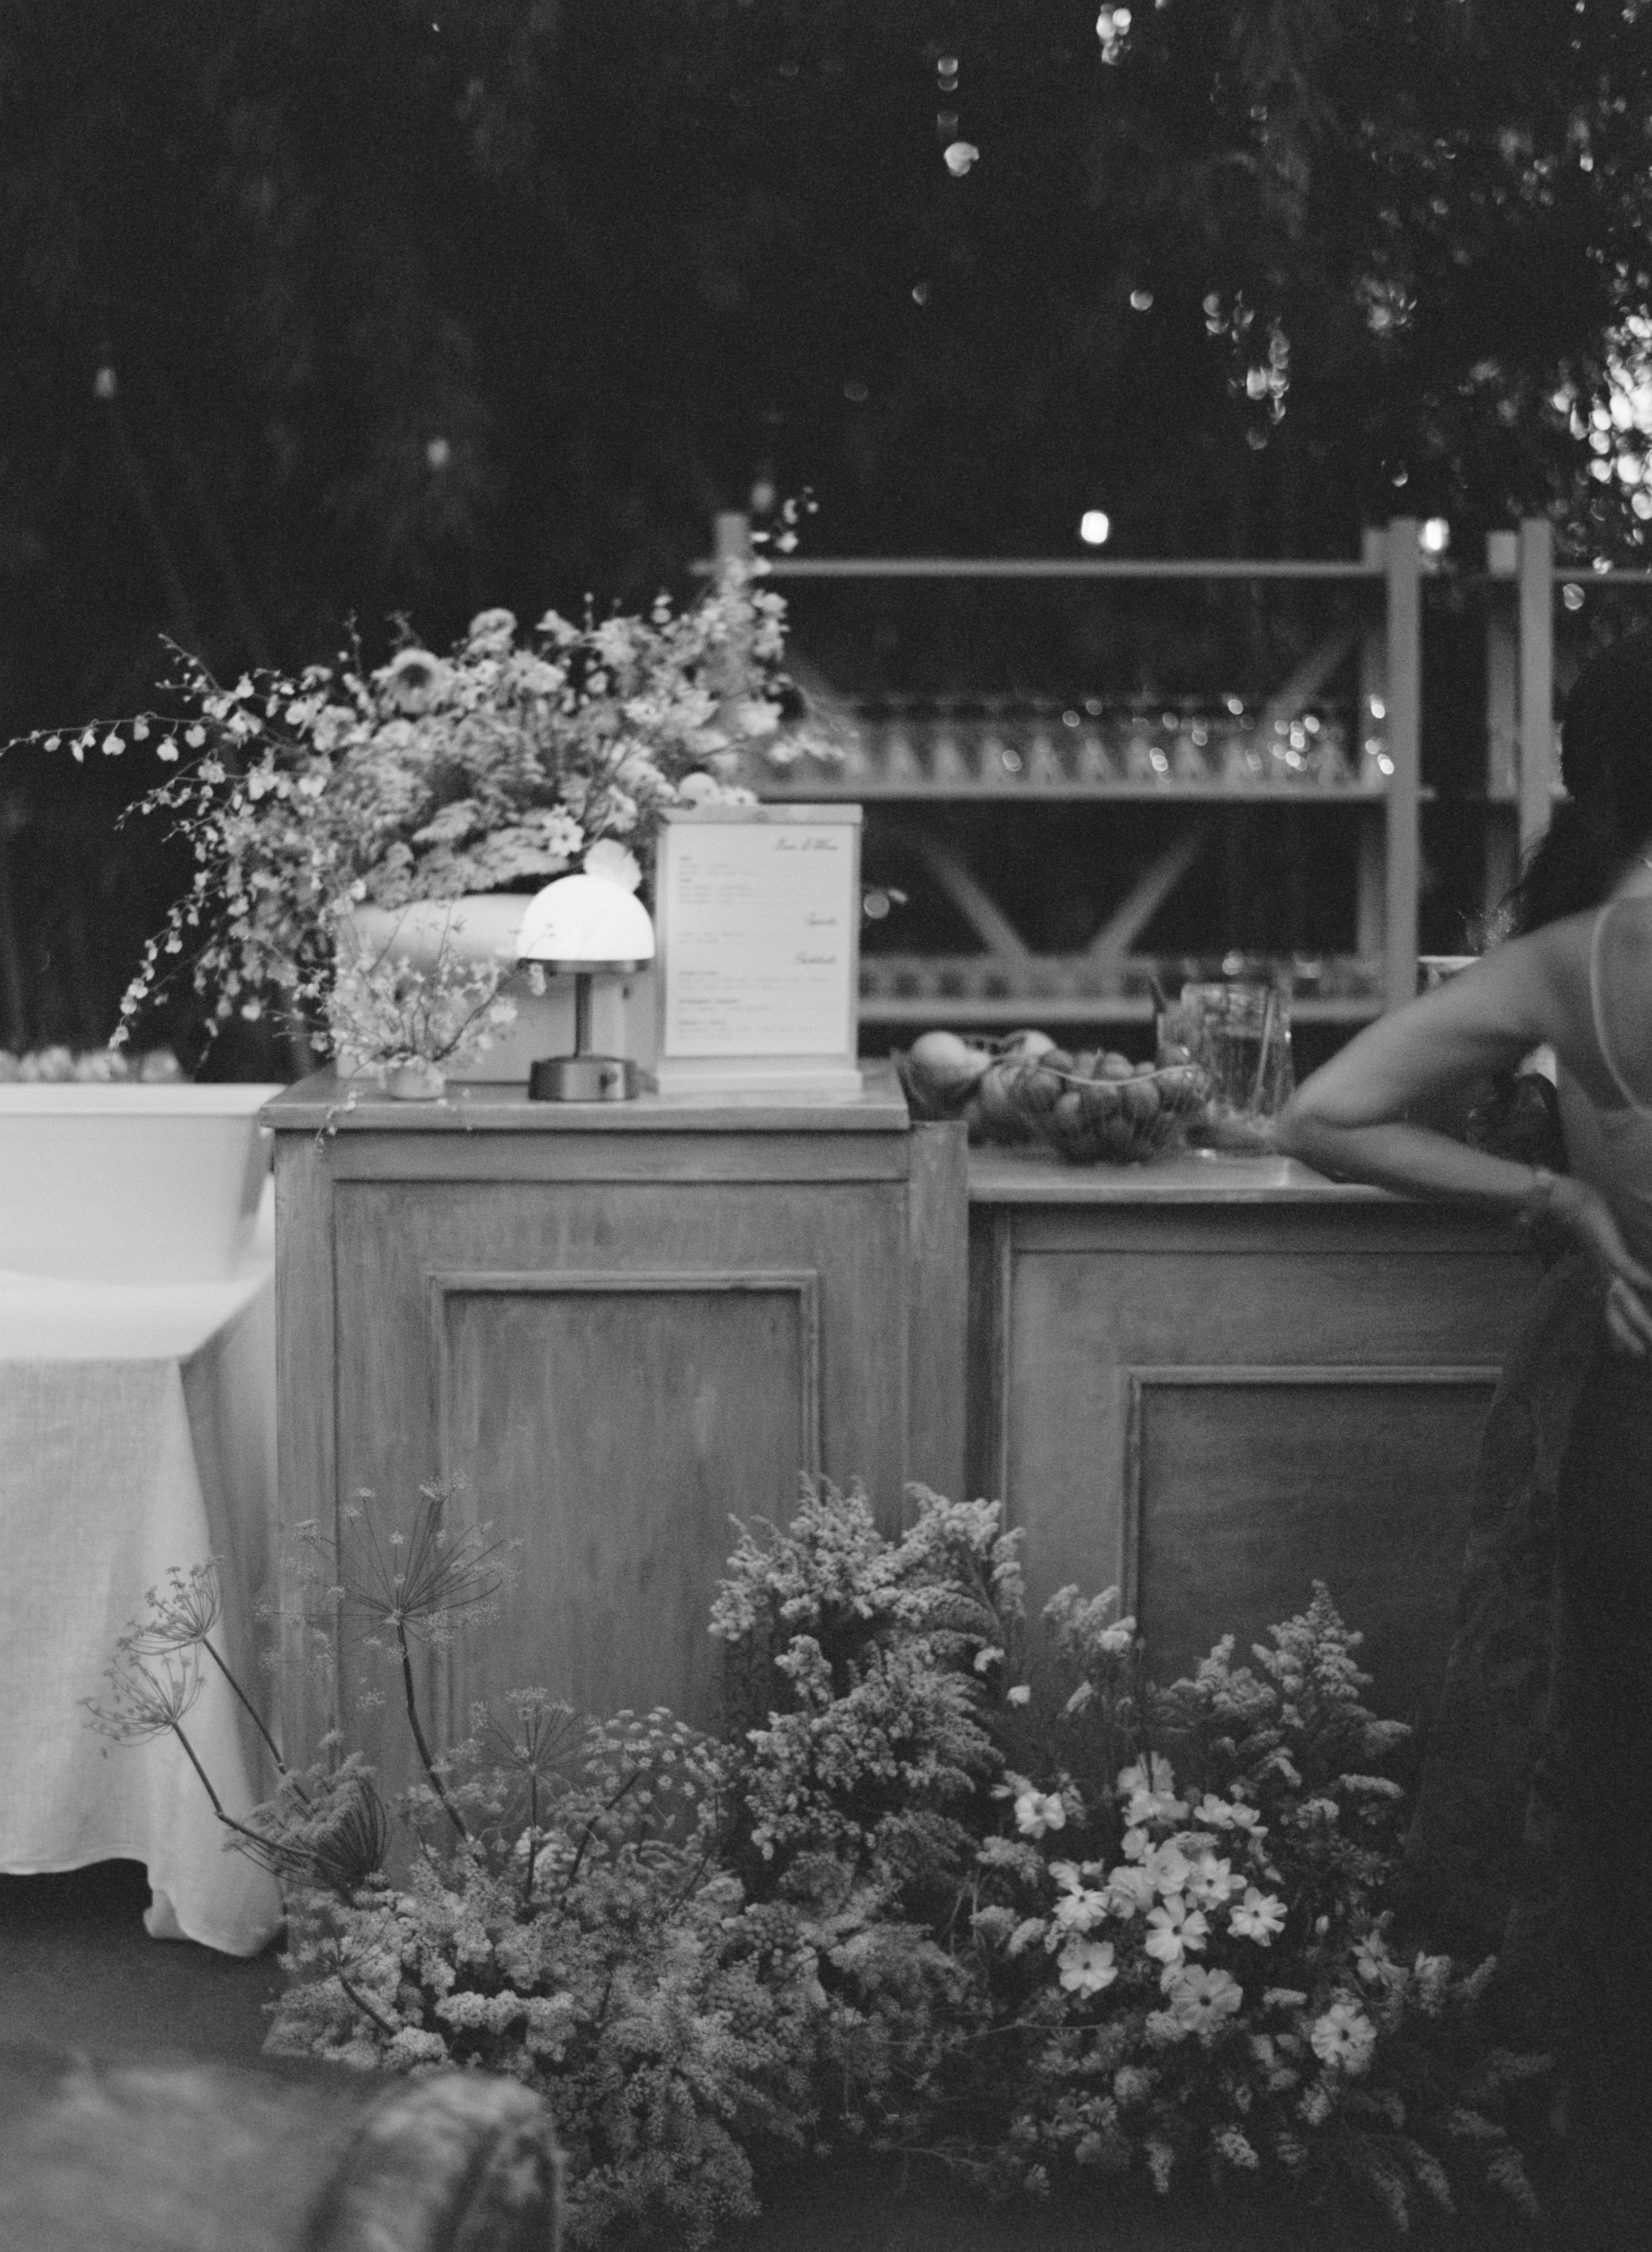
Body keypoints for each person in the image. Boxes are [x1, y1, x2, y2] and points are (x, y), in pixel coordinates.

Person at [1279, 629, 1652, 2198]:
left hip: (1630, 1430)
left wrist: (1557, 1193)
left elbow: (1321, 1114)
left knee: (1621, 1835)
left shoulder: (1572, 960)